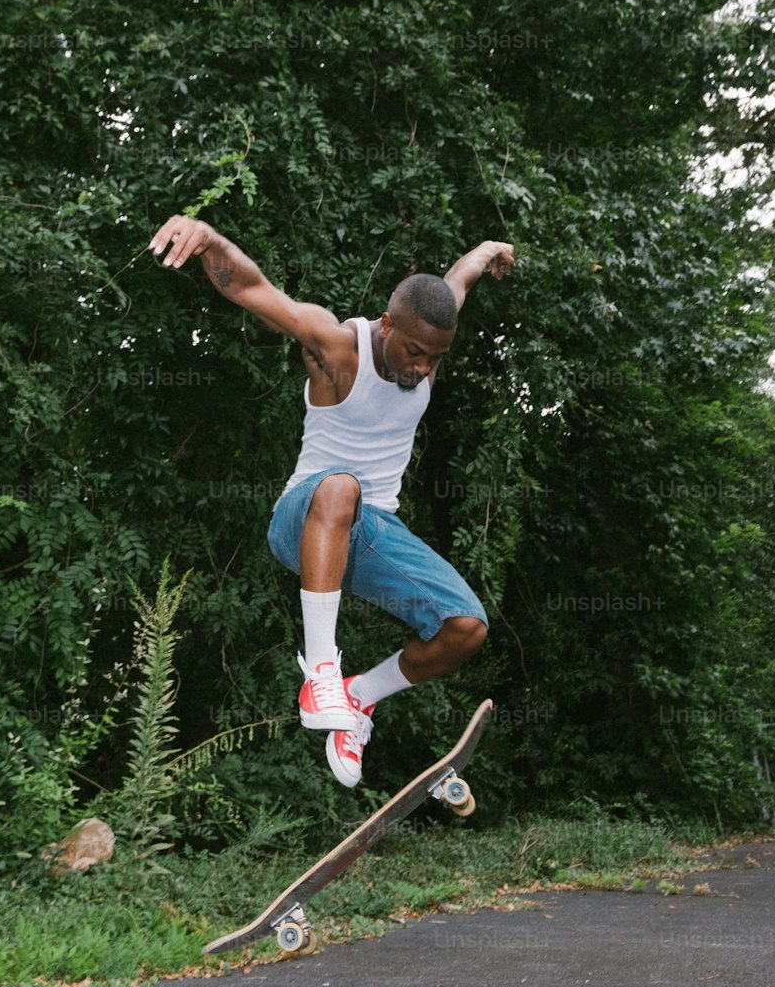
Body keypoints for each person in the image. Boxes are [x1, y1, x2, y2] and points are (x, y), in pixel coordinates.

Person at [149, 215, 515, 787]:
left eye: (434, 360)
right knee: (343, 485)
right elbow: (254, 290)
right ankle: (320, 672)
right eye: (415, 352)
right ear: (388, 323)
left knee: (466, 628)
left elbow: (456, 285)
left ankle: (358, 698)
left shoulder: (427, 333)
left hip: (372, 534)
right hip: (304, 517)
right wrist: (213, 240)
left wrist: (486, 250)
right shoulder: (336, 348)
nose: (421, 370)